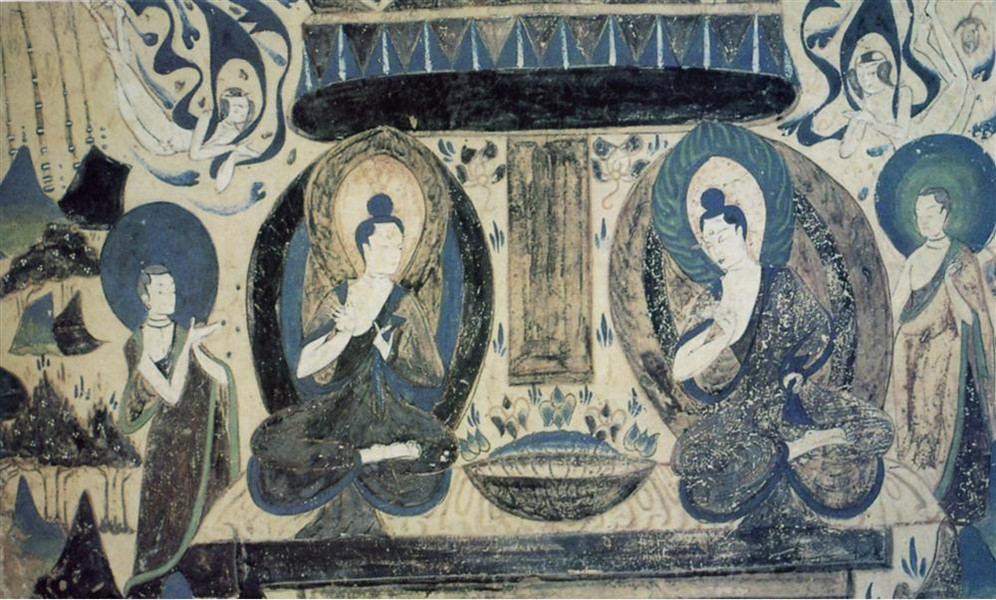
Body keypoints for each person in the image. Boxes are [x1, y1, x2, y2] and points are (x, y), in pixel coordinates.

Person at [670, 189, 893, 529]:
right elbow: (681, 368)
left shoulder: (781, 281)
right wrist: (720, 338)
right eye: (708, 241)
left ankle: (790, 447)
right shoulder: (712, 299)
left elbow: (819, 329)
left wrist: (798, 368)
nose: (716, 247)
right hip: (743, 411)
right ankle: (797, 448)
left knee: (877, 428)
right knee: (688, 459)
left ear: (741, 232)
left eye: (721, 236)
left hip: (791, 397)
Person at [248, 194, 457, 537]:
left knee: (444, 446)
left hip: (385, 412)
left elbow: (433, 375)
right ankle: (372, 456)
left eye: (398, 246)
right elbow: (305, 367)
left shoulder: (405, 303)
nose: (393, 254)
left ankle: (364, 455)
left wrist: (389, 352)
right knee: (268, 441)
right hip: (337, 409)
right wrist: (343, 334)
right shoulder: (340, 297)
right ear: (365, 247)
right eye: (385, 245)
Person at [117, 265, 239, 594]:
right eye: (161, 290)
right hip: (167, 449)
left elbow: (221, 378)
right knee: (163, 526)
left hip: (201, 443)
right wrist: (188, 347)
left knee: (205, 522)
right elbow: (170, 393)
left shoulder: (185, 334)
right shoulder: (136, 343)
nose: (169, 296)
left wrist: (197, 348)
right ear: (145, 297)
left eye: (171, 288)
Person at [887, 186, 995, 524]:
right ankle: (918, 499)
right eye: (920, 214)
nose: (925, 221)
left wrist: (949, 285)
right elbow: (895, 308)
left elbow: (971, 318)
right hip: (912, 360)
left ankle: (954, 509)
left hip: (950, 365)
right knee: (915, 433)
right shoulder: (915, 259)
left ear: (945, 215)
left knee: (952, 433)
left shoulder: (960, 258)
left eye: (931, 214)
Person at [86, 0, 260, 192]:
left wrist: (236, 153)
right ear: (226, 107)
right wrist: (233, 149)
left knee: (122, 74)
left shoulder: (233, 133)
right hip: (163, 130)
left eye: (244, 108)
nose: (242, 112)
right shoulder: (208, 116)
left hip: (160, 146)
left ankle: (116, 16)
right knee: (121, 69)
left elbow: (221, 181)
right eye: (238, 107)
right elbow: (195, 153)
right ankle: (96, 12)